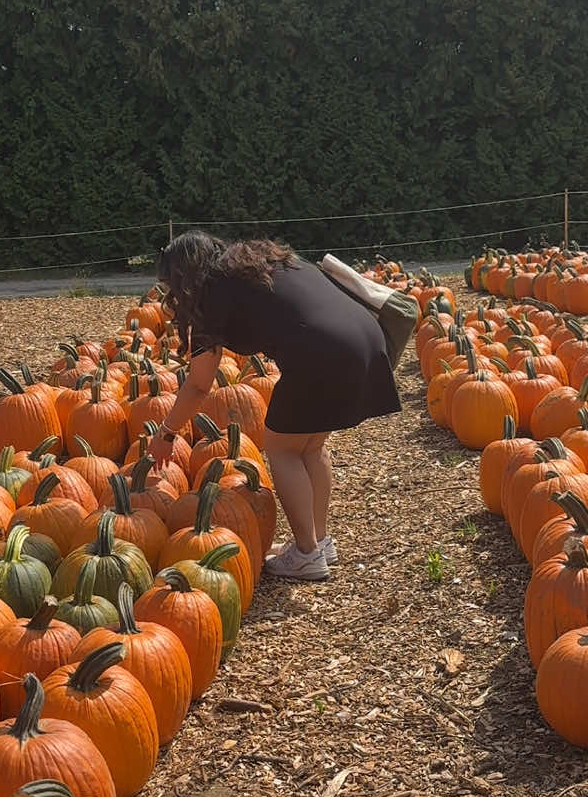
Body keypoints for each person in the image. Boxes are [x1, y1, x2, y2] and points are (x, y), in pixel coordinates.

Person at [150, 231, 402, 581]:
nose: (170, 296)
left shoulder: (212, 295)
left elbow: (197, 386)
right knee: (311, 448)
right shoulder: (262, 262)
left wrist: (166, 433)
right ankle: (319, 542)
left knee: (282, 448)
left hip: (322, 352)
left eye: (169, 286)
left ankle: (307, 553)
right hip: (366, 337)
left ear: (183, 278)